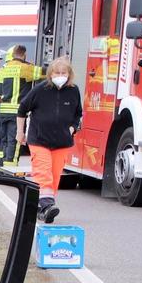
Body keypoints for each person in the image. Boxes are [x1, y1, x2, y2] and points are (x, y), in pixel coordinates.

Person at [17, 57, 82, 224]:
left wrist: (73, 128)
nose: (60, 75)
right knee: (43, 172)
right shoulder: (40, 90)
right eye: (57, 72)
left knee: (54, 176)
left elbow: (78, 114)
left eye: (63, 73)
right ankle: (47, 205)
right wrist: (20, 132)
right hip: (39, 139)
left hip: (62, 141)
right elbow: (22, 109)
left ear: (69, 74)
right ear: (50, 74)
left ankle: (43, 208)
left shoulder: (73, 91)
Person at [0, 44, 41, 169]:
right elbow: (46, 73)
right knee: (14, 141)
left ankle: (1, 167)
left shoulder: (3, 69)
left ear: (12, 55)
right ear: (24, 55)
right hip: (17, 112)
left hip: (3, 111)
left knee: (4, 141)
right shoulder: (25, 68)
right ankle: (10, 169)